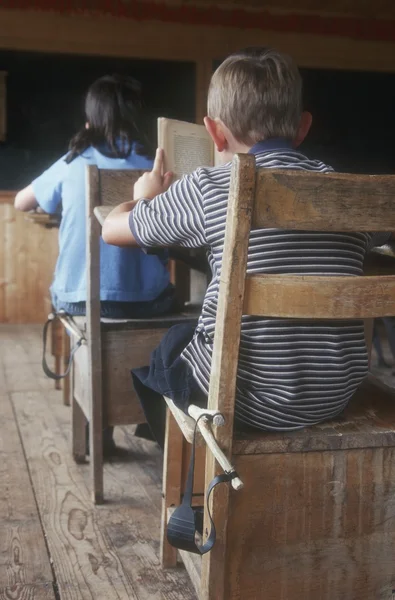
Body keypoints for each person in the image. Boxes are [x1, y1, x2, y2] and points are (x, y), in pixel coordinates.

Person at [101, 47, 390, 447]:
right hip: (332, 395)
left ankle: (191, 484)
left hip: (244, 399)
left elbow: (113, 230)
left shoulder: (209, 187)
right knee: (187, 339)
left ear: (213, 132)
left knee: (172, 347)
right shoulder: (352, 196)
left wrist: (141, 197)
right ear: (303, 127)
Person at [15, 74, 175, 452]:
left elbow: (22, 201)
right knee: (171, 305)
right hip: (147, 302)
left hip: (77, 298)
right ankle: (144, 411)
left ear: (91, 120)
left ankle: (98, 429)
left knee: (91, 313)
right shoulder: (157, 168)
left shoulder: (74, 163)